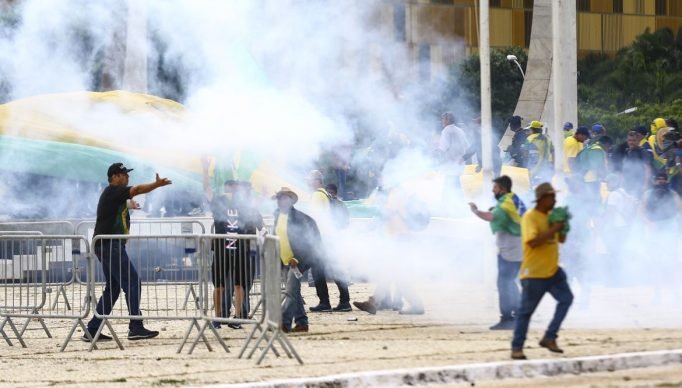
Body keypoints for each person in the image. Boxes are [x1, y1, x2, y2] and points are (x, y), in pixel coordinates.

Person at [84, 163, 172, 342]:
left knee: (114, 288)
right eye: (123, 174)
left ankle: (92, 329)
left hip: (106, 245)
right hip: (110, 245)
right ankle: (135, 326)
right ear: (114, 177)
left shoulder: (113, 195)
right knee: (132, 282)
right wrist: (156, 185)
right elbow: (137, 189)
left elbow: (118, 205)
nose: (127, 177)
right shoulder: (113, 191)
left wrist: (129, 205)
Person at [511, 183, 573, 360]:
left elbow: (560, 240)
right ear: (541, 199)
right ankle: (517, 347)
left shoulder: (551, 216)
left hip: (553, 270)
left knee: (567, 299)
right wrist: (554, 228)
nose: (554, 200)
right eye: (551, 197)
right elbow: (532, 242)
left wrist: (563, 227)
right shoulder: (531, 217)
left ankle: (550, 337)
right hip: (534, 273)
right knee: (525, 312)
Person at [202, 158, 264, 329]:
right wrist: (205, 170)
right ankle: (218, 318)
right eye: (230, 188)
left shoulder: (243, 205)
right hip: (222, 250)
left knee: (239, 285)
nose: (232, 191)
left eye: (234, 188)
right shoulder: (219, 202)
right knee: (219, 285)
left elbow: (254, 213)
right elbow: (206, 190)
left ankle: (237, 317)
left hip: (240, 251)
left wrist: (263, 196)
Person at [468, 175, 526, 330]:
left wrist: (475, 211)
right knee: (510, 281)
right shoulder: (511, 199)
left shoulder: (505, 203)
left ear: (503, 188)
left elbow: (491, 216)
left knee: (504, 283)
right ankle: (520, 314)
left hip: (511, 248)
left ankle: (507, 318)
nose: (493, 190)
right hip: (516, 246)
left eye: (495, 188)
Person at [273, 187, 325, 333]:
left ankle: (284, 322)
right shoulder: (277, 215)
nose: (280, 201)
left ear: (290, 200)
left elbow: (307, 242)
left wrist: (297, 258)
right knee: (294, 292)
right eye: (279, 198)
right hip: (284, 260)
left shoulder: (300, 218)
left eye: (283, 198)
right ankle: (302, 323)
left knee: (290, 291)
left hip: (297, 261)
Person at [306, 170, 352, 313]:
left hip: (322, 238)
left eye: (310, 179)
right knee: (334, 268)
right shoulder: (325, 194)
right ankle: (344, 301)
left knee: (318, 271)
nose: (308, 182)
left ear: (317, 181)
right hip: (329, 236)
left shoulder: (317, 195)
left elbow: (316, 219)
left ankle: (325, 302)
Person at [620, 131, 652, 198]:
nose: (631, 142)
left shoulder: (643, 152)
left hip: (639, 185)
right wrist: (622, 183)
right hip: (628, 185)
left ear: (638, 141)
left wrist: (645, 185)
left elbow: (647, 169)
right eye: (629, 140)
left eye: (634, 140)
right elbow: (624, 168)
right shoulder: (627, 151)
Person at [524, 121, 554, 185]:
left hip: (534, 165)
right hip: (547, 164)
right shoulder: (548, 138)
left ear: (532, 129)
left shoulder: (529, 138)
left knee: (533, 183)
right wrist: (553, 163)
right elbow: (553, 152)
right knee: (546, 183)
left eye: (530, 130)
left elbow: (525, 153)